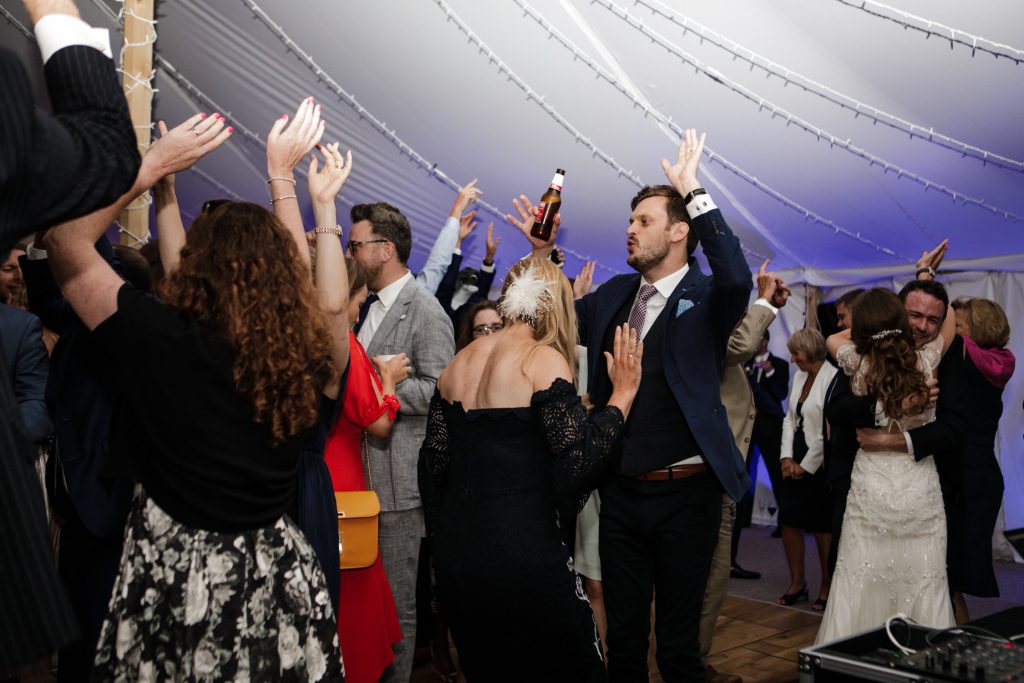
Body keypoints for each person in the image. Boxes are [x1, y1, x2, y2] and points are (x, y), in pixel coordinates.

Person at [41, 100, 347, 680]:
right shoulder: (303, 360)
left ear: (195, 266)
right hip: (273, 576)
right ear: (288, 275)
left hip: (175, 579)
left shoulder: (159, 338)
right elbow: (324, 300)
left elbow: (64, 245)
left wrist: (150, 168)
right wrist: (283, 178)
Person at [512, 129, 752, 681]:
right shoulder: (617, 294)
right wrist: (542, 255)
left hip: (686, 496)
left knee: (677, 648)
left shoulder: (708, 296)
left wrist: (691, 187)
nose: (629, 228)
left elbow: (737, 272)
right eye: (631, 220)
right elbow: (551, 318)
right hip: (619, 494)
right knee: (622, 643)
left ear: (678, 232)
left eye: (643, 221)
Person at [420, 257, 642, 681]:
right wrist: (623, 396)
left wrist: (444, 546)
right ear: (555, 305)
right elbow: (576, 467)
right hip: (522, 554)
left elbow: (432, 466)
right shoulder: (540, 360)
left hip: (459, 557)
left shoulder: (458, 362)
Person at [1, 0, 141, 669]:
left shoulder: (124, 297)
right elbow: (104, 154)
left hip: (101, 493)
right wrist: (54, 11)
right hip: (77, 485)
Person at [348, 199, 455, 682]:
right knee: (366, 601)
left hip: (395, 485)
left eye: (355, 245)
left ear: (385, 249)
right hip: (357, 476)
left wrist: (373, 385)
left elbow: (440, 391)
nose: (350, 253)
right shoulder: (363, 306)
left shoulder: (425, 310)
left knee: (396, 604)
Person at [816, 288, 956, 643]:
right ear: (902, 323)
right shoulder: (926, 361)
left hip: (872, 487)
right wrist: (925, 279)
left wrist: (868, 330)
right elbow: (950, 317)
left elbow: (832, 337)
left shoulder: (858, 363)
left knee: (860, 577)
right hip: (917, 486)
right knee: (924, 576)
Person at [700, 259, 788, 683]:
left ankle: (689, 658)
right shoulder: (708, 331)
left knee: (710, 578)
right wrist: (764, 303)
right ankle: (691, 663)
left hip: (720, 470)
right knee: (709, 576)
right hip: (708, 473)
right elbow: (737, 346)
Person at [319, 256, 405, 683]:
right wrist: (389, 382)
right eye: (358, 300)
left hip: (321, 474)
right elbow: (379, 423)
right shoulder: (343, 345)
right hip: (341, 483)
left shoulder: (308, 335)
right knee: (351, 594)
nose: (359, 309)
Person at [947, 297, 1015, 622]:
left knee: (950, 568)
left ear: (976, 328)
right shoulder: (1000, 360)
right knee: (951, 571)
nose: (953, 331)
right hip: (980, 472)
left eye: (959, 326)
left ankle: (957, 642)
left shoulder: (969, 358)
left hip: (969, 476)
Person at [776, 329, 837, 611]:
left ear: (810, 352)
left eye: (796, 353)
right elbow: (790, 418)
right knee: (788, 520)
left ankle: (826, 586)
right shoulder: (799, 376)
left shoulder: (832, 377)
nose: (792, 358)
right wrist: (786, 457)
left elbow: (828, 429)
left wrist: (806, 466)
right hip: (795, 456)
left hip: (820, 461)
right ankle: (797, 583)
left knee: (822, 527)